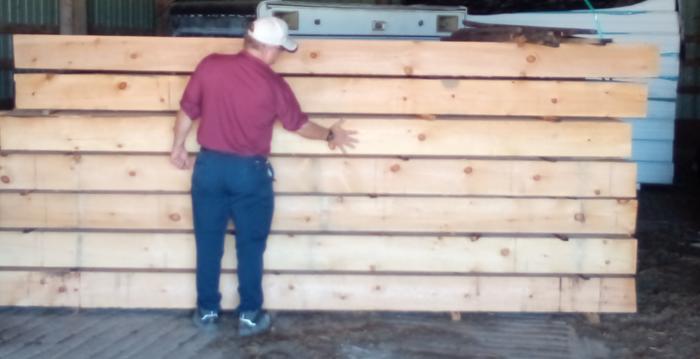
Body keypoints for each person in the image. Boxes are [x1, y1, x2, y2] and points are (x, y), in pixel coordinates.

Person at [169, 16, 357, 337]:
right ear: (269, 48)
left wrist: (178, 147)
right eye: (280, 50)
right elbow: (298, 125)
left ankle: (207, 312)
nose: (279, 56)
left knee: (208, 243)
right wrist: (329, 135)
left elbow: (188, 109)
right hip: (248, 174)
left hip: (208, 168)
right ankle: (250, 315)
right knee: (250, 246)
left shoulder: (209, 66)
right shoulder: (273, 84)